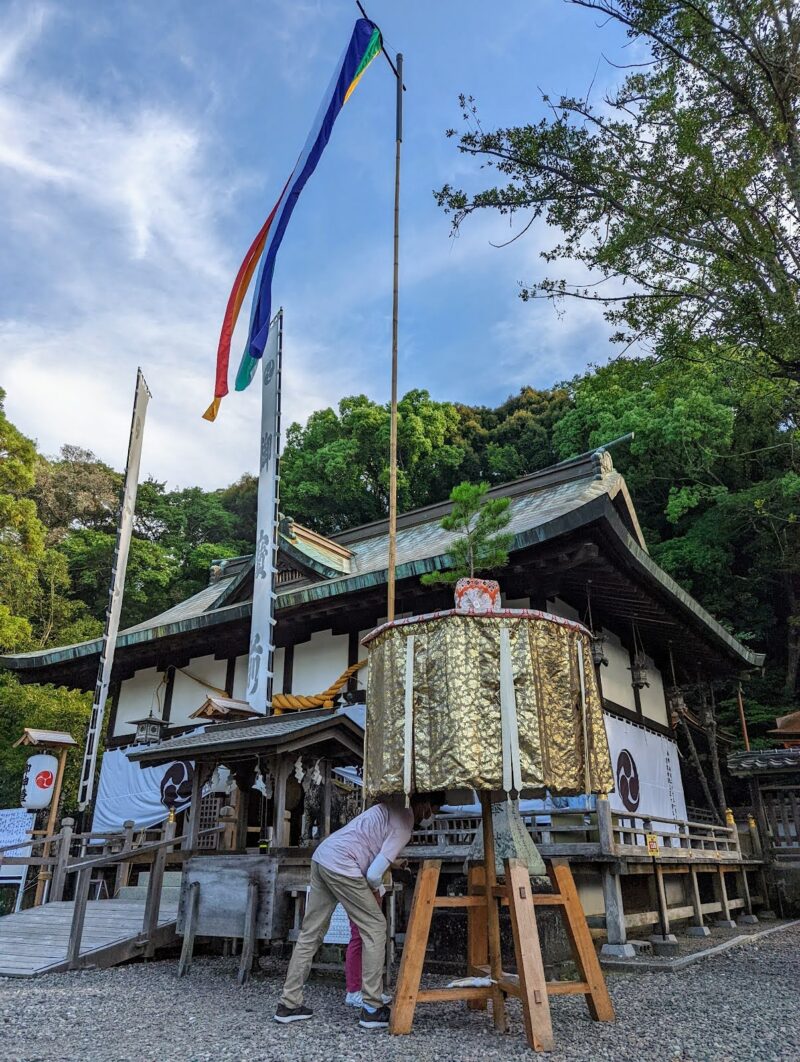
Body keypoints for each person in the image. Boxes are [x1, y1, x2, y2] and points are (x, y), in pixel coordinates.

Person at [274, 791, 444, 1030]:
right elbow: (374, 874)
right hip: (344, 865)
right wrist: (377, 890)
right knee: (375, 927)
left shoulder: (391, 804)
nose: (431, 817)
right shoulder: (405, 825)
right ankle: (372, 1007)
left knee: (310, 933)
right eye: (433, 811)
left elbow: (368, 840)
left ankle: (288, 1004)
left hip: (323, 856)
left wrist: (392, 863)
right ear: (426, 805)